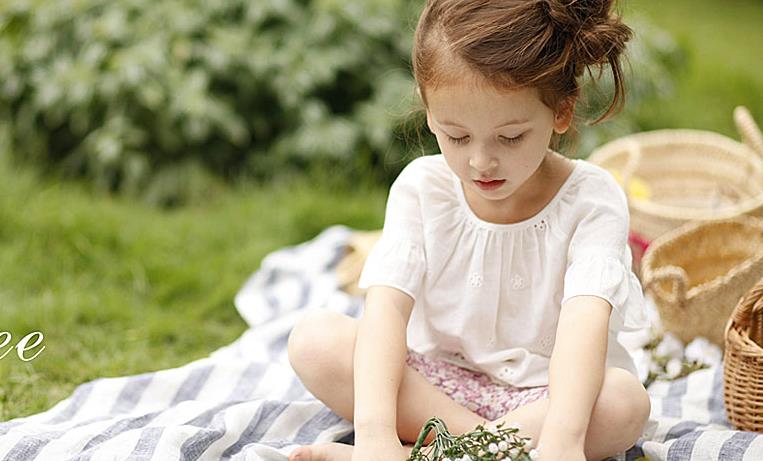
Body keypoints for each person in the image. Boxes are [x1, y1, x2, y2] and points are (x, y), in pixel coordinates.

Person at [287, 0, 652, 460]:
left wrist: (563, 443)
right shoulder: (422, 188)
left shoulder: (592, 199)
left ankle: (427, 455)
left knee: (623, 402)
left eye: (510, 137)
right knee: (316, 340)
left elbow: (584, 325)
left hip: (547, 400)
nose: (481, 162)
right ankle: (467, 451)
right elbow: (385, 313)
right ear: (428, 110)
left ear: (561, 112)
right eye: (456, 136)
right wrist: (375, 436)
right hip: (434, 389)